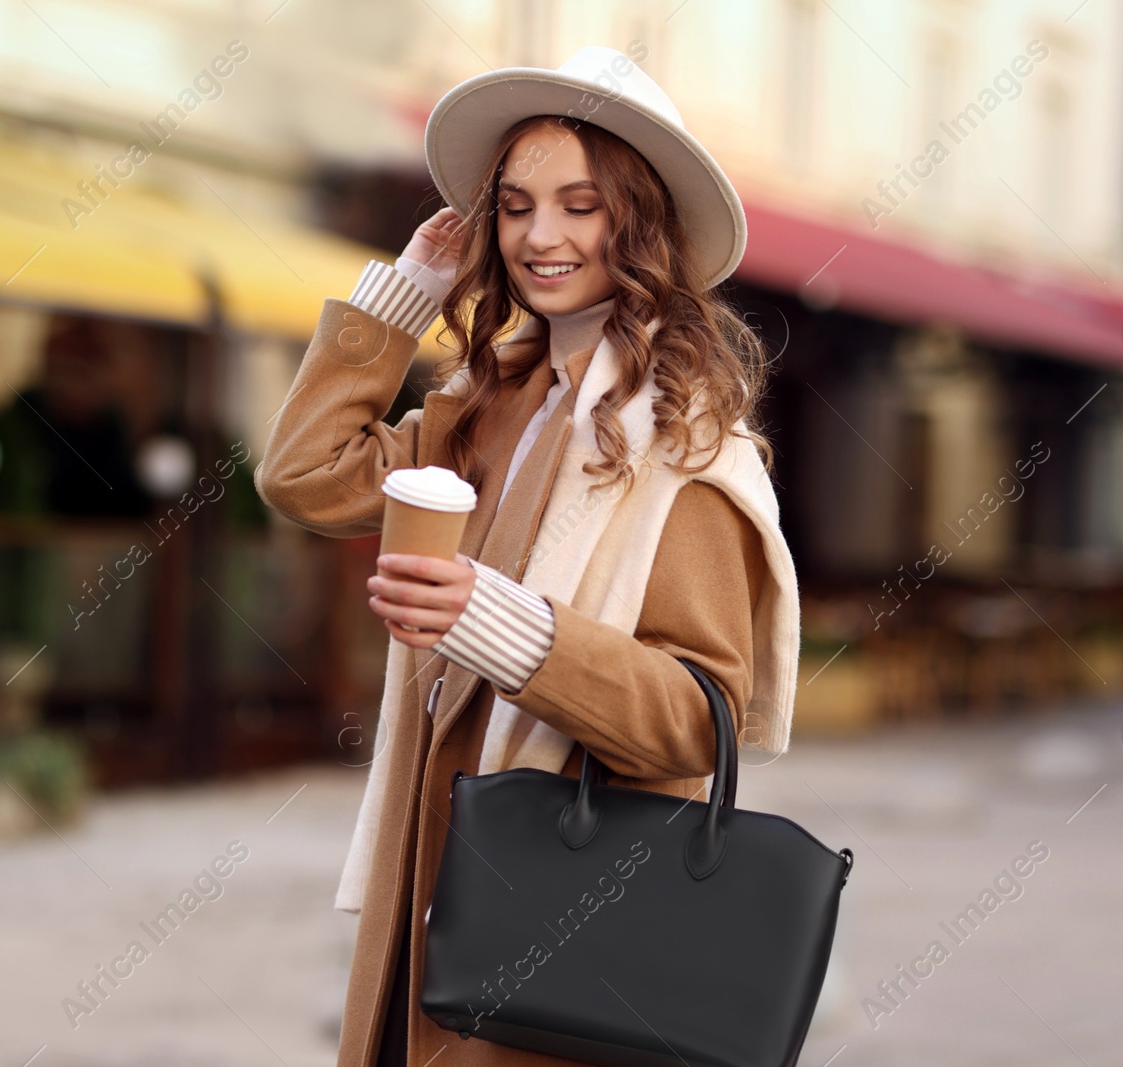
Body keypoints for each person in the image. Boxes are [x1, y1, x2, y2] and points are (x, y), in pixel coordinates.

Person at [254, 46, 801, 1067]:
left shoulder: (684, 445)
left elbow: (695, 714)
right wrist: (405, 293)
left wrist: (499, 626)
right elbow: (305, 474)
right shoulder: (481, 406)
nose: (539, 236)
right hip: (427, 882)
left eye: (580, 204)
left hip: (553, 907)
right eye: (512, 205)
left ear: (641, 224)